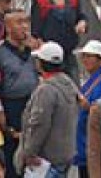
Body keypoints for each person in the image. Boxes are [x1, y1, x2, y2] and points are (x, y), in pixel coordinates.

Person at [0, 9, 41, 178]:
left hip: (33, 104)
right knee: (13, 158)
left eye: (26, 21)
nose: (24, 26)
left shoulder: (34, 52)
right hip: (12, 107)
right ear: (8, 26)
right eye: (19, 22)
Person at [18, 41, 80, 177]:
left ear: (40, 63)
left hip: (45, 163)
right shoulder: (69, 84)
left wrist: (29, 153)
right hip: (65, 157)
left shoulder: (46, 90)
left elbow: (39, 124)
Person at [30, 0, 88, 79]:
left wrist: (82, 23)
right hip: (50, 56)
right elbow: (36, 30)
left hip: (69, 53)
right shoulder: (42, 1)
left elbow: (81, 16)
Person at [75, 40, 101, 178]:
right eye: (84, 56)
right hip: (85, 141)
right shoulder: (91, 80)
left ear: (100, 60)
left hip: (95, 145)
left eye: (89, 56)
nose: (85, 59)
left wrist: (88, 107)